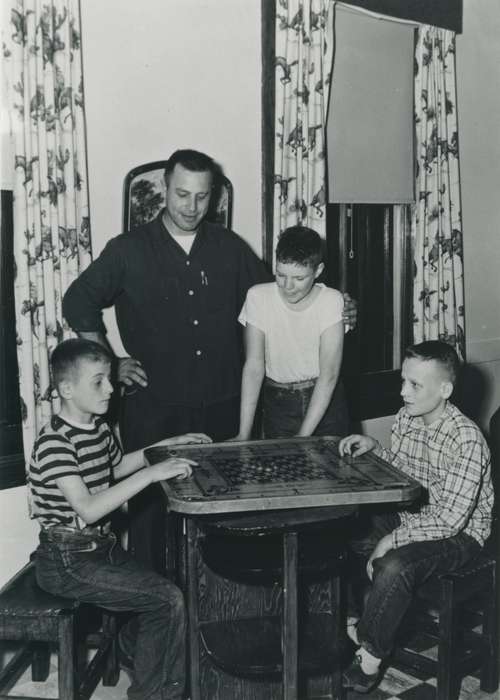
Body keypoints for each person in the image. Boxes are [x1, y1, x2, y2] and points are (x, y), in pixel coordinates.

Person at [62, 148, 357, 570]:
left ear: (212, 196)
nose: (191, 207)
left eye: (201, 197)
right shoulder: (128, 249)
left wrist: (341, 308)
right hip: (154, 408)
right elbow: (78, 302)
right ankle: (155, 623)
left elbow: (281, 298)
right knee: (151, 522)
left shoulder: (229, 247)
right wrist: (110, 362)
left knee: (228, 525)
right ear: (163, 189)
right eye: (182, 194)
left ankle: (222, 622)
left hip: (221, 409)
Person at [28, 337, 211, 700]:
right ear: (66, 388)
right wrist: (152, 474)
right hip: (65, 560)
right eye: (98, 381)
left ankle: (137, 655)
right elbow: (89, 508)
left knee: (168, 591)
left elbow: (118, 466)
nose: (111, 388)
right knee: (166, 599)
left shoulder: (97, 429)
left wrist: (170, 444)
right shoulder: (54, 443)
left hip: (99, 549)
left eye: (109, 379)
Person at [338, 340, 493, 693]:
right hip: (415, 515)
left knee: (395, 565)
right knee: (342, 529)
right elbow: (409, 468)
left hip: (461, 534)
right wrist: (379, 452)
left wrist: (392, 539)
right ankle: (354, 620)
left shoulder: (467, 439)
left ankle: (371, 655)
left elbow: (453, 517)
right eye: (403, 381)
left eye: (415, 385)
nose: (404, 392)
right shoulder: (407, 417)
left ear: (445, 390)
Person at [234, 225, 349, 440]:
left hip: (325, 404)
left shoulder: (331, 300)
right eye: (281, 275)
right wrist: (243, 433)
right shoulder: (258, 297)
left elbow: (329, 375)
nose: (288, 286)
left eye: (299, 278)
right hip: (278, 405)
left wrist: (302, 438)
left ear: (318, 271)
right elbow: (253, 367)